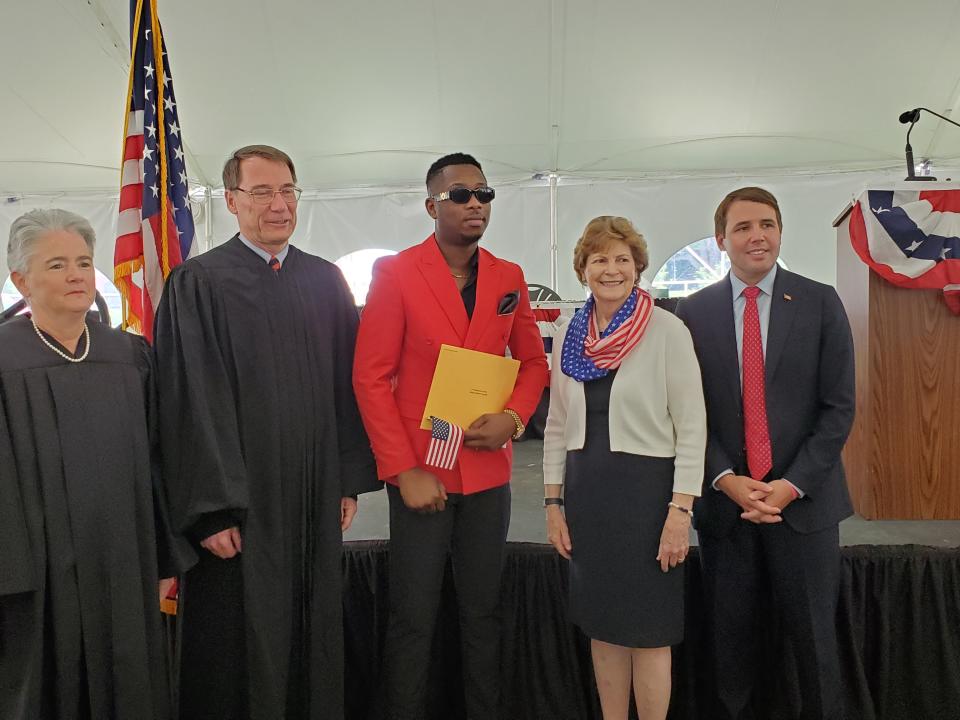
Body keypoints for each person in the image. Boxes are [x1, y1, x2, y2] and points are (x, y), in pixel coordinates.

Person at [153, 145, 380, 720]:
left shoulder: (326, 281)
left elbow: (346, 388)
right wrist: (211, 511)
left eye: (287, 192)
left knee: (313, 629)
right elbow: (188, 403)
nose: (277, 206)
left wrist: (345, 482)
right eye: (261, 193)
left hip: (310, 499)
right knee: (238, 645)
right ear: (231, 201)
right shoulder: (198, 285)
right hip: (241, 510)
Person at [352, 152, 548, 719]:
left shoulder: (509, 276)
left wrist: (513, 418)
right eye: (461, 194)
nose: (475, 205)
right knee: (413, 619)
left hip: (488, 473)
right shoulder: (396, 272)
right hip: (421, 472)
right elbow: (371, 376)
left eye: (484, 194)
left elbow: (534, 364)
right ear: (431, 204)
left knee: (483, 616)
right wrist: (402, 469)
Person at [0, 209, 192, 719]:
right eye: (57, 264)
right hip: (36, 568)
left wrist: (160, 552)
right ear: (21, 280)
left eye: (83, 263)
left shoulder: (129, 354)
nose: (76, 275)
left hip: (122, 557)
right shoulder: (4, 360)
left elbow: (159, 459)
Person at [675, 187, 855, 720]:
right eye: (744, 227)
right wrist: (726, 478)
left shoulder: (821, 301)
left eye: (768, 225)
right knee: (730, 650)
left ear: (780, 232)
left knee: (815, 648)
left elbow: (838, 407)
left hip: (804, 506)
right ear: (720, 240)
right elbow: (687, 415)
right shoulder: (692, 311)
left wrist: (790, 484)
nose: (758, 235)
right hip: (726, 509)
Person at [542, 216, 706, 720]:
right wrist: (552, 502)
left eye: (621, 259)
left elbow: (693, 427)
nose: (610, 269)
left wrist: (681, 511)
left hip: (648, 497)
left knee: (649, 632)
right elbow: (555, 424)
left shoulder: (666, 329)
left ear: (638, 267)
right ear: (582, 270)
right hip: (589, 494)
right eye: (599, 260)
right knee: (603, 627)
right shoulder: (569, 332)